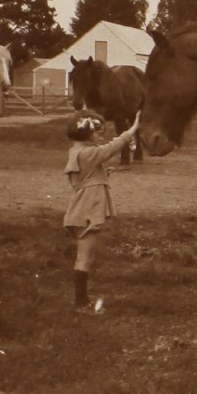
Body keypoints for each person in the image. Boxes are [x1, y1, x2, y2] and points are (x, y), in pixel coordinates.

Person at [63, 109, 141, 313]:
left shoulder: (76, 152)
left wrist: (102, 174)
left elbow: (81, 179)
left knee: (85, 256)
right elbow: (113, 147)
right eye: (98, 132)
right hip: (87, 211)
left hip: (79, 210)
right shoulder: (89, 153)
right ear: (86, 132)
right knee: (85, 258)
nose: (101, 137)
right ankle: (81, 304)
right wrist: (132, 129)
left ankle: (83, 301)